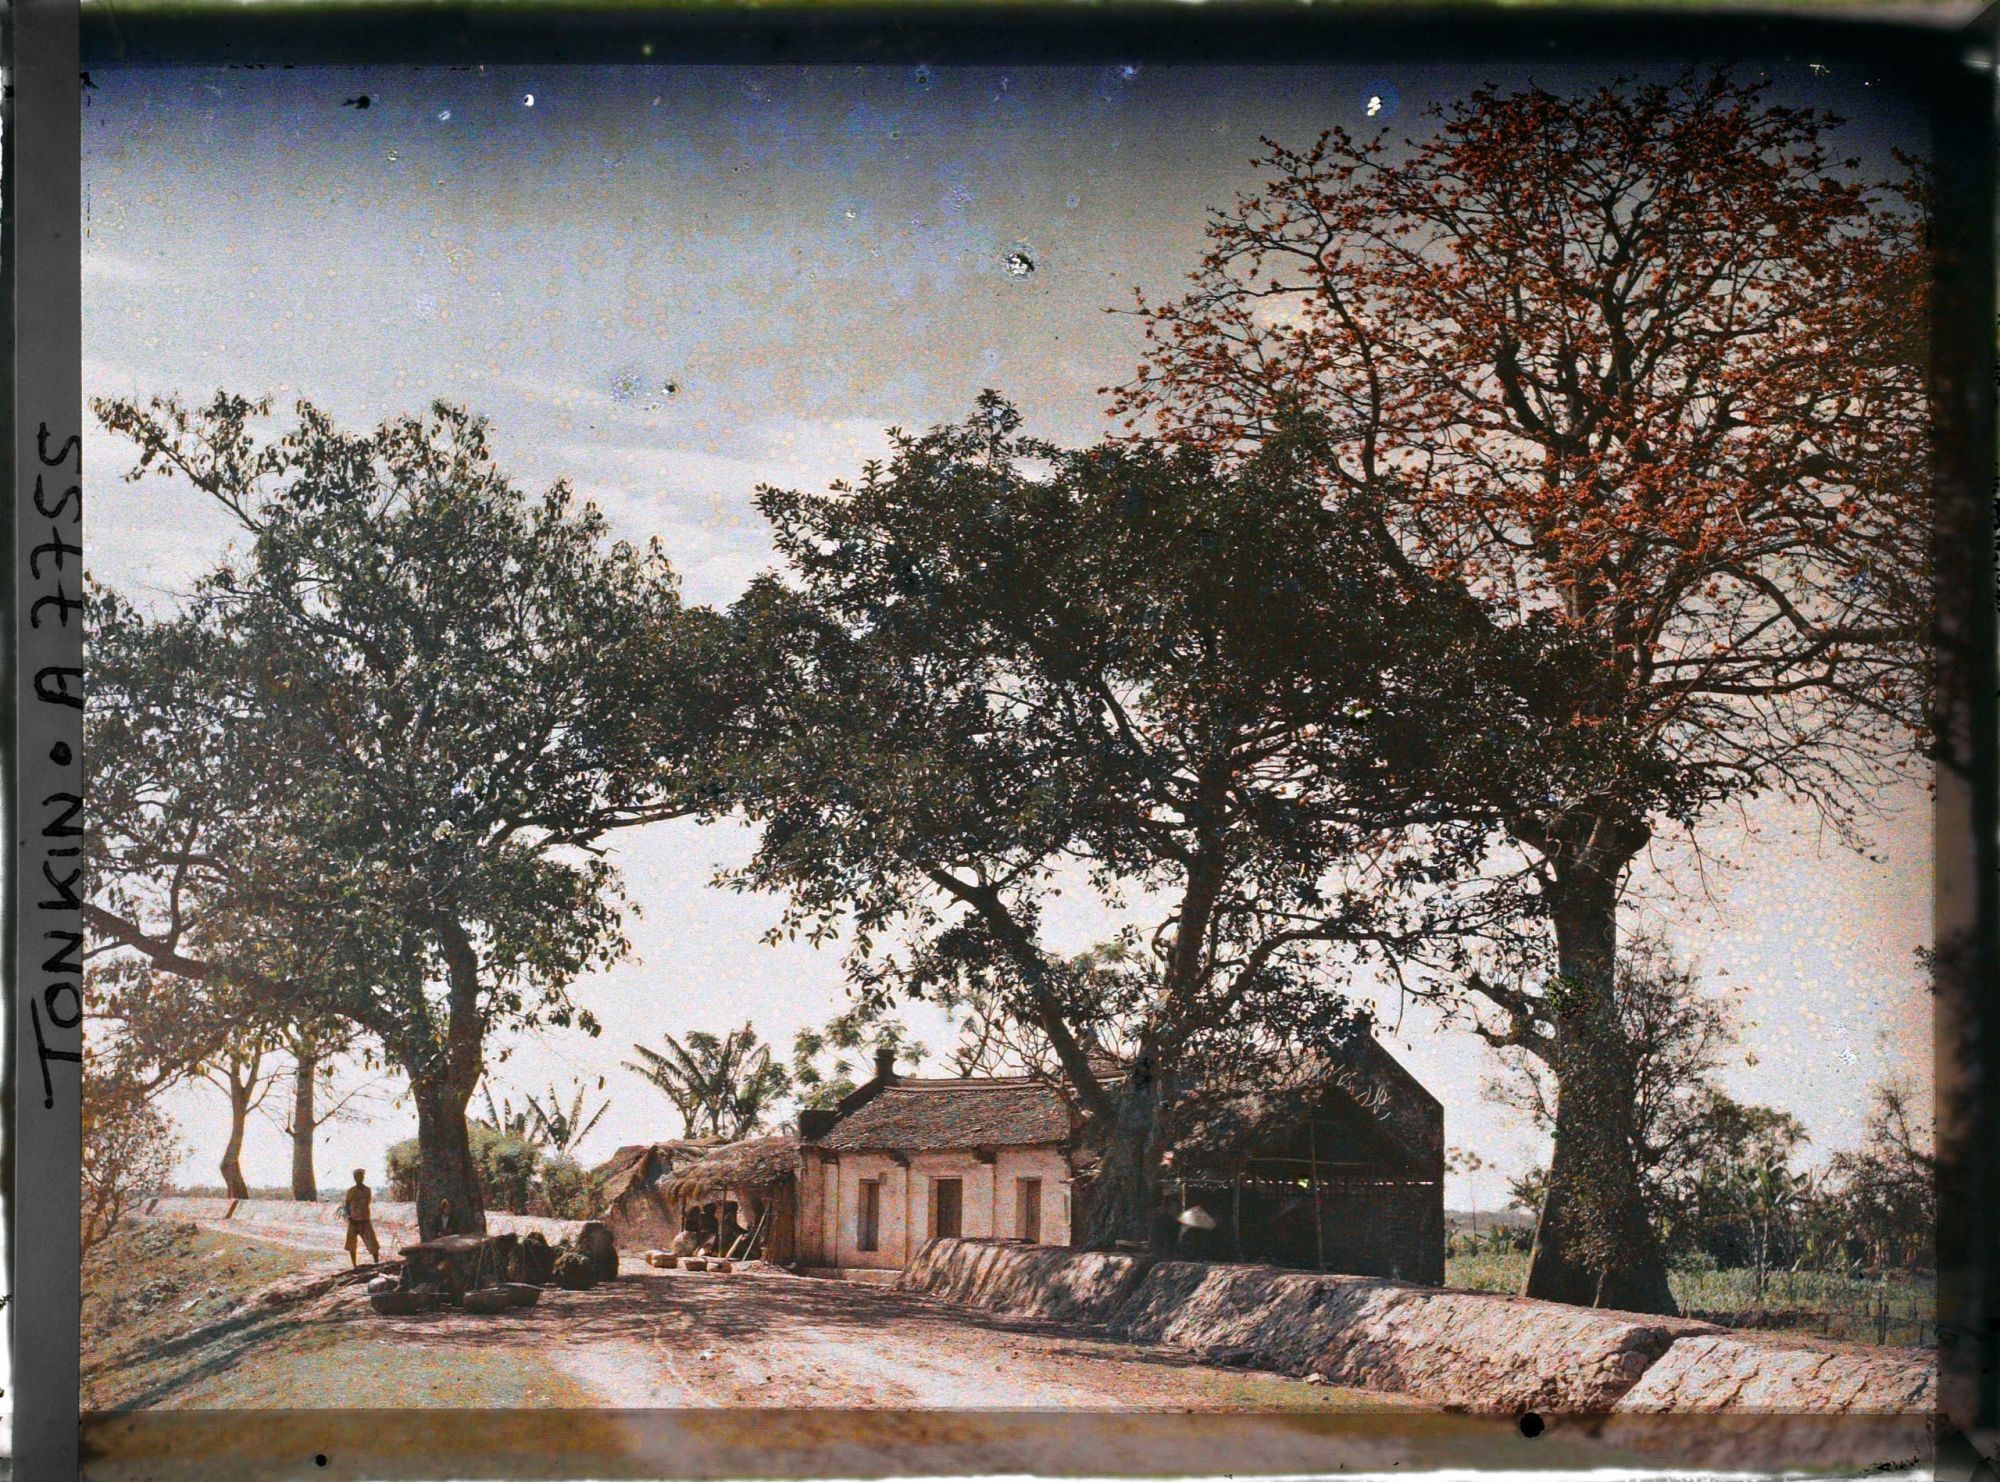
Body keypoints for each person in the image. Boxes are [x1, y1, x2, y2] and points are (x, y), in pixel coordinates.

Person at [342, 1169, 380, 1267]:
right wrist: (349, 1216)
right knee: (351, 1244)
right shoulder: (351, 1191)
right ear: (354, 1178)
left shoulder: (367, 1190)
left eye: (361, 1176)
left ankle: (377, 1263)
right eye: (357, 1177)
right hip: (354, 1221)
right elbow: (346, 1205)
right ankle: (354, 1265)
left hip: (365, 1220)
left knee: (373, 1243)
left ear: (363, 1177)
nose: (359, 1178)